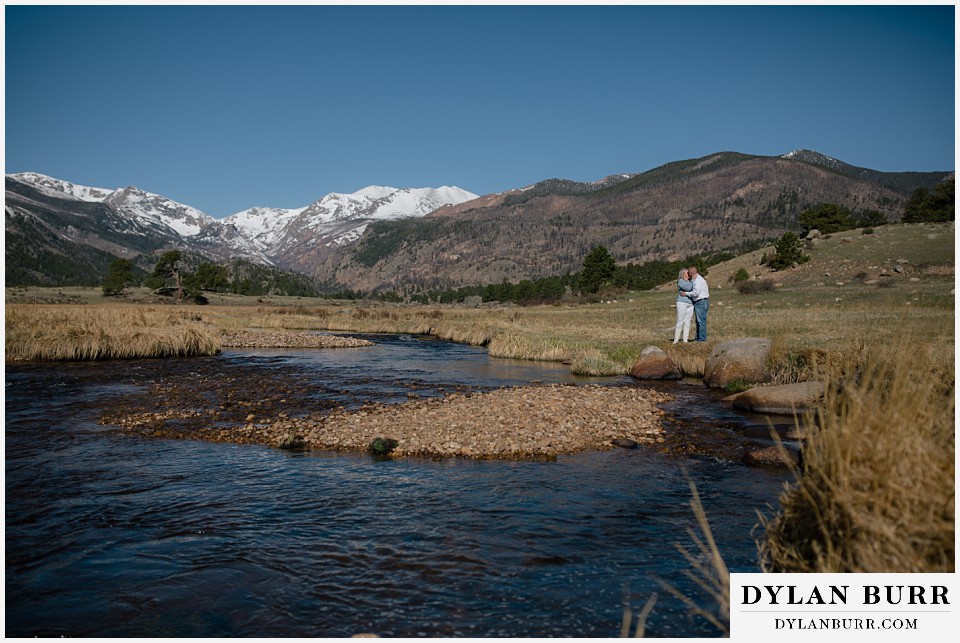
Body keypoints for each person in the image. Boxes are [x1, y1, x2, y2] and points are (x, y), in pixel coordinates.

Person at [687, 266, 710, 342]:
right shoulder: (696, 280)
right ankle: (698, 338)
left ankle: (702, 339)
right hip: (700, 302)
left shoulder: (698, 280)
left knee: (701, 321)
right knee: (698, 321)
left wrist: (686, 293)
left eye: (688, 273)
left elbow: (696, 293)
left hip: (701, 302)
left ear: (691, 273)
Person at [673, 268, 694, 343]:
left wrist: (691, 284)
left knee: (688, 321)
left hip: (690, 303)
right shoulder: (680, 281)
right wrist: (692, 285)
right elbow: (688, 288)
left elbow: (693, 288)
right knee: (680, 321)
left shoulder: (691, 281)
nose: (689, 274)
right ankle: (676, 339)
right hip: (682, 303)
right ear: (683, 274)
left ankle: (685, 339)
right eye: (687, 273)